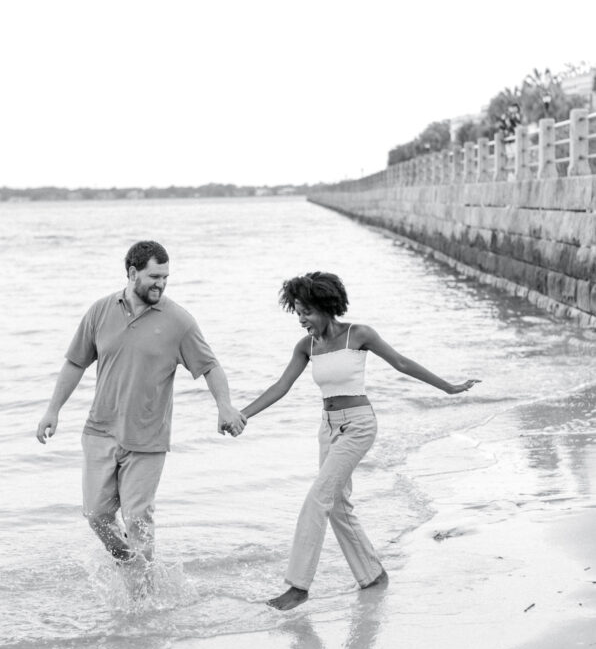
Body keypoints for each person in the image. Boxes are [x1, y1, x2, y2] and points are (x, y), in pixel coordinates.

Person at [236, 271, 479, 611]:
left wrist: (450, 387)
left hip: (359, 425)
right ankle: (371, 575)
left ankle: (298, 586)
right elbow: (280, 386)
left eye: (306, 311)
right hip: (328, 427)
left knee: (317, 498)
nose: (302, 318)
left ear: (325, 306)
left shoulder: (358, 334)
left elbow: (401, 363)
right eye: (298, 311)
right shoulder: (306, 346)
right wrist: (242, 415)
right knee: (335, 504)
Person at [36, 240, 245, 569]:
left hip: (147, 437)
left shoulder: (179, 321)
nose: (160, 283)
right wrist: (53, 410)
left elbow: (210, 366)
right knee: (95, 514)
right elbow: (75, 363)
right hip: (100, 430)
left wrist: (225, 406)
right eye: (154, 276)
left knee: (137, 519)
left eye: (165, 277)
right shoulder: (100, 311)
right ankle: (130, 564)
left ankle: (143, 595)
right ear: (132, 273)